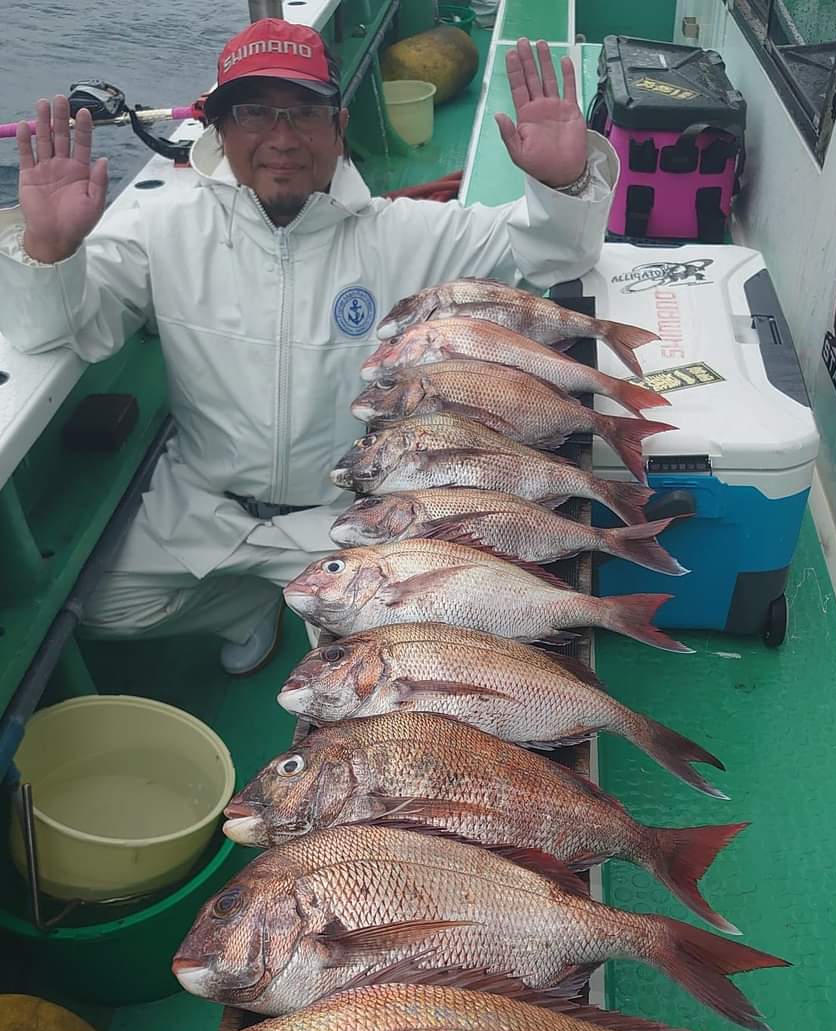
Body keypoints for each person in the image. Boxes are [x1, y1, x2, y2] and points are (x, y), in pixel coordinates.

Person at [0, 19, 617, 673]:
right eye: (254, 113)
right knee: (87, 609)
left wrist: (563, 184)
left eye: (304, 113)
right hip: (199, 506)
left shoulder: (405, 234)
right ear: (219, 129)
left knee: (422, 645)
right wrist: (51, 248)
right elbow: (56, 330)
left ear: (339, 126)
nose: (282, 137)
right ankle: (244, 607)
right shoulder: (161, 229)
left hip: (346, 518)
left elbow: (551, 252)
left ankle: (290, 600)